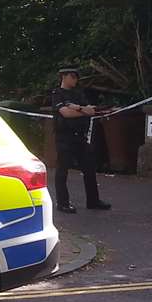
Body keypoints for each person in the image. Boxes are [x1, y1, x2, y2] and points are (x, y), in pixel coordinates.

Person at [48, 66, 111, 213]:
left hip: (80, 136)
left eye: (77, 77)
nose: (75, 79)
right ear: (64, 76)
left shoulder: (78, 93)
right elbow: (65, 113)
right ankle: (63, 203)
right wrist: (82, 110)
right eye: (73, 76)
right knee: (62, 170)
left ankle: (93, 201)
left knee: (89, 168)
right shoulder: (57, 94)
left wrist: (77, 108)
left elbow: (89, 110)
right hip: (64, 136)